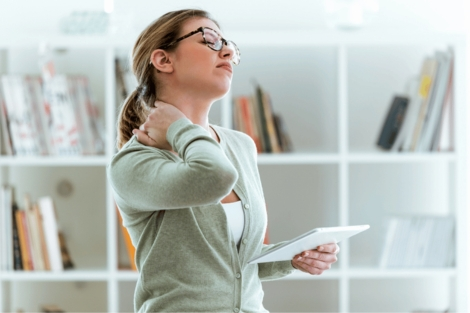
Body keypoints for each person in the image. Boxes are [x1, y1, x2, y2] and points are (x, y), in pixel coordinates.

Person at [107, 9, 340, 313]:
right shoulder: (134, 162)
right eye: (211, 40)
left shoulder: (240, 146)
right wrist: (179, 127)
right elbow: (214, 177)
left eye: (231, 46)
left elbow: (236, 263)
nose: (228, 51)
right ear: (164, 60)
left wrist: (294, 257)